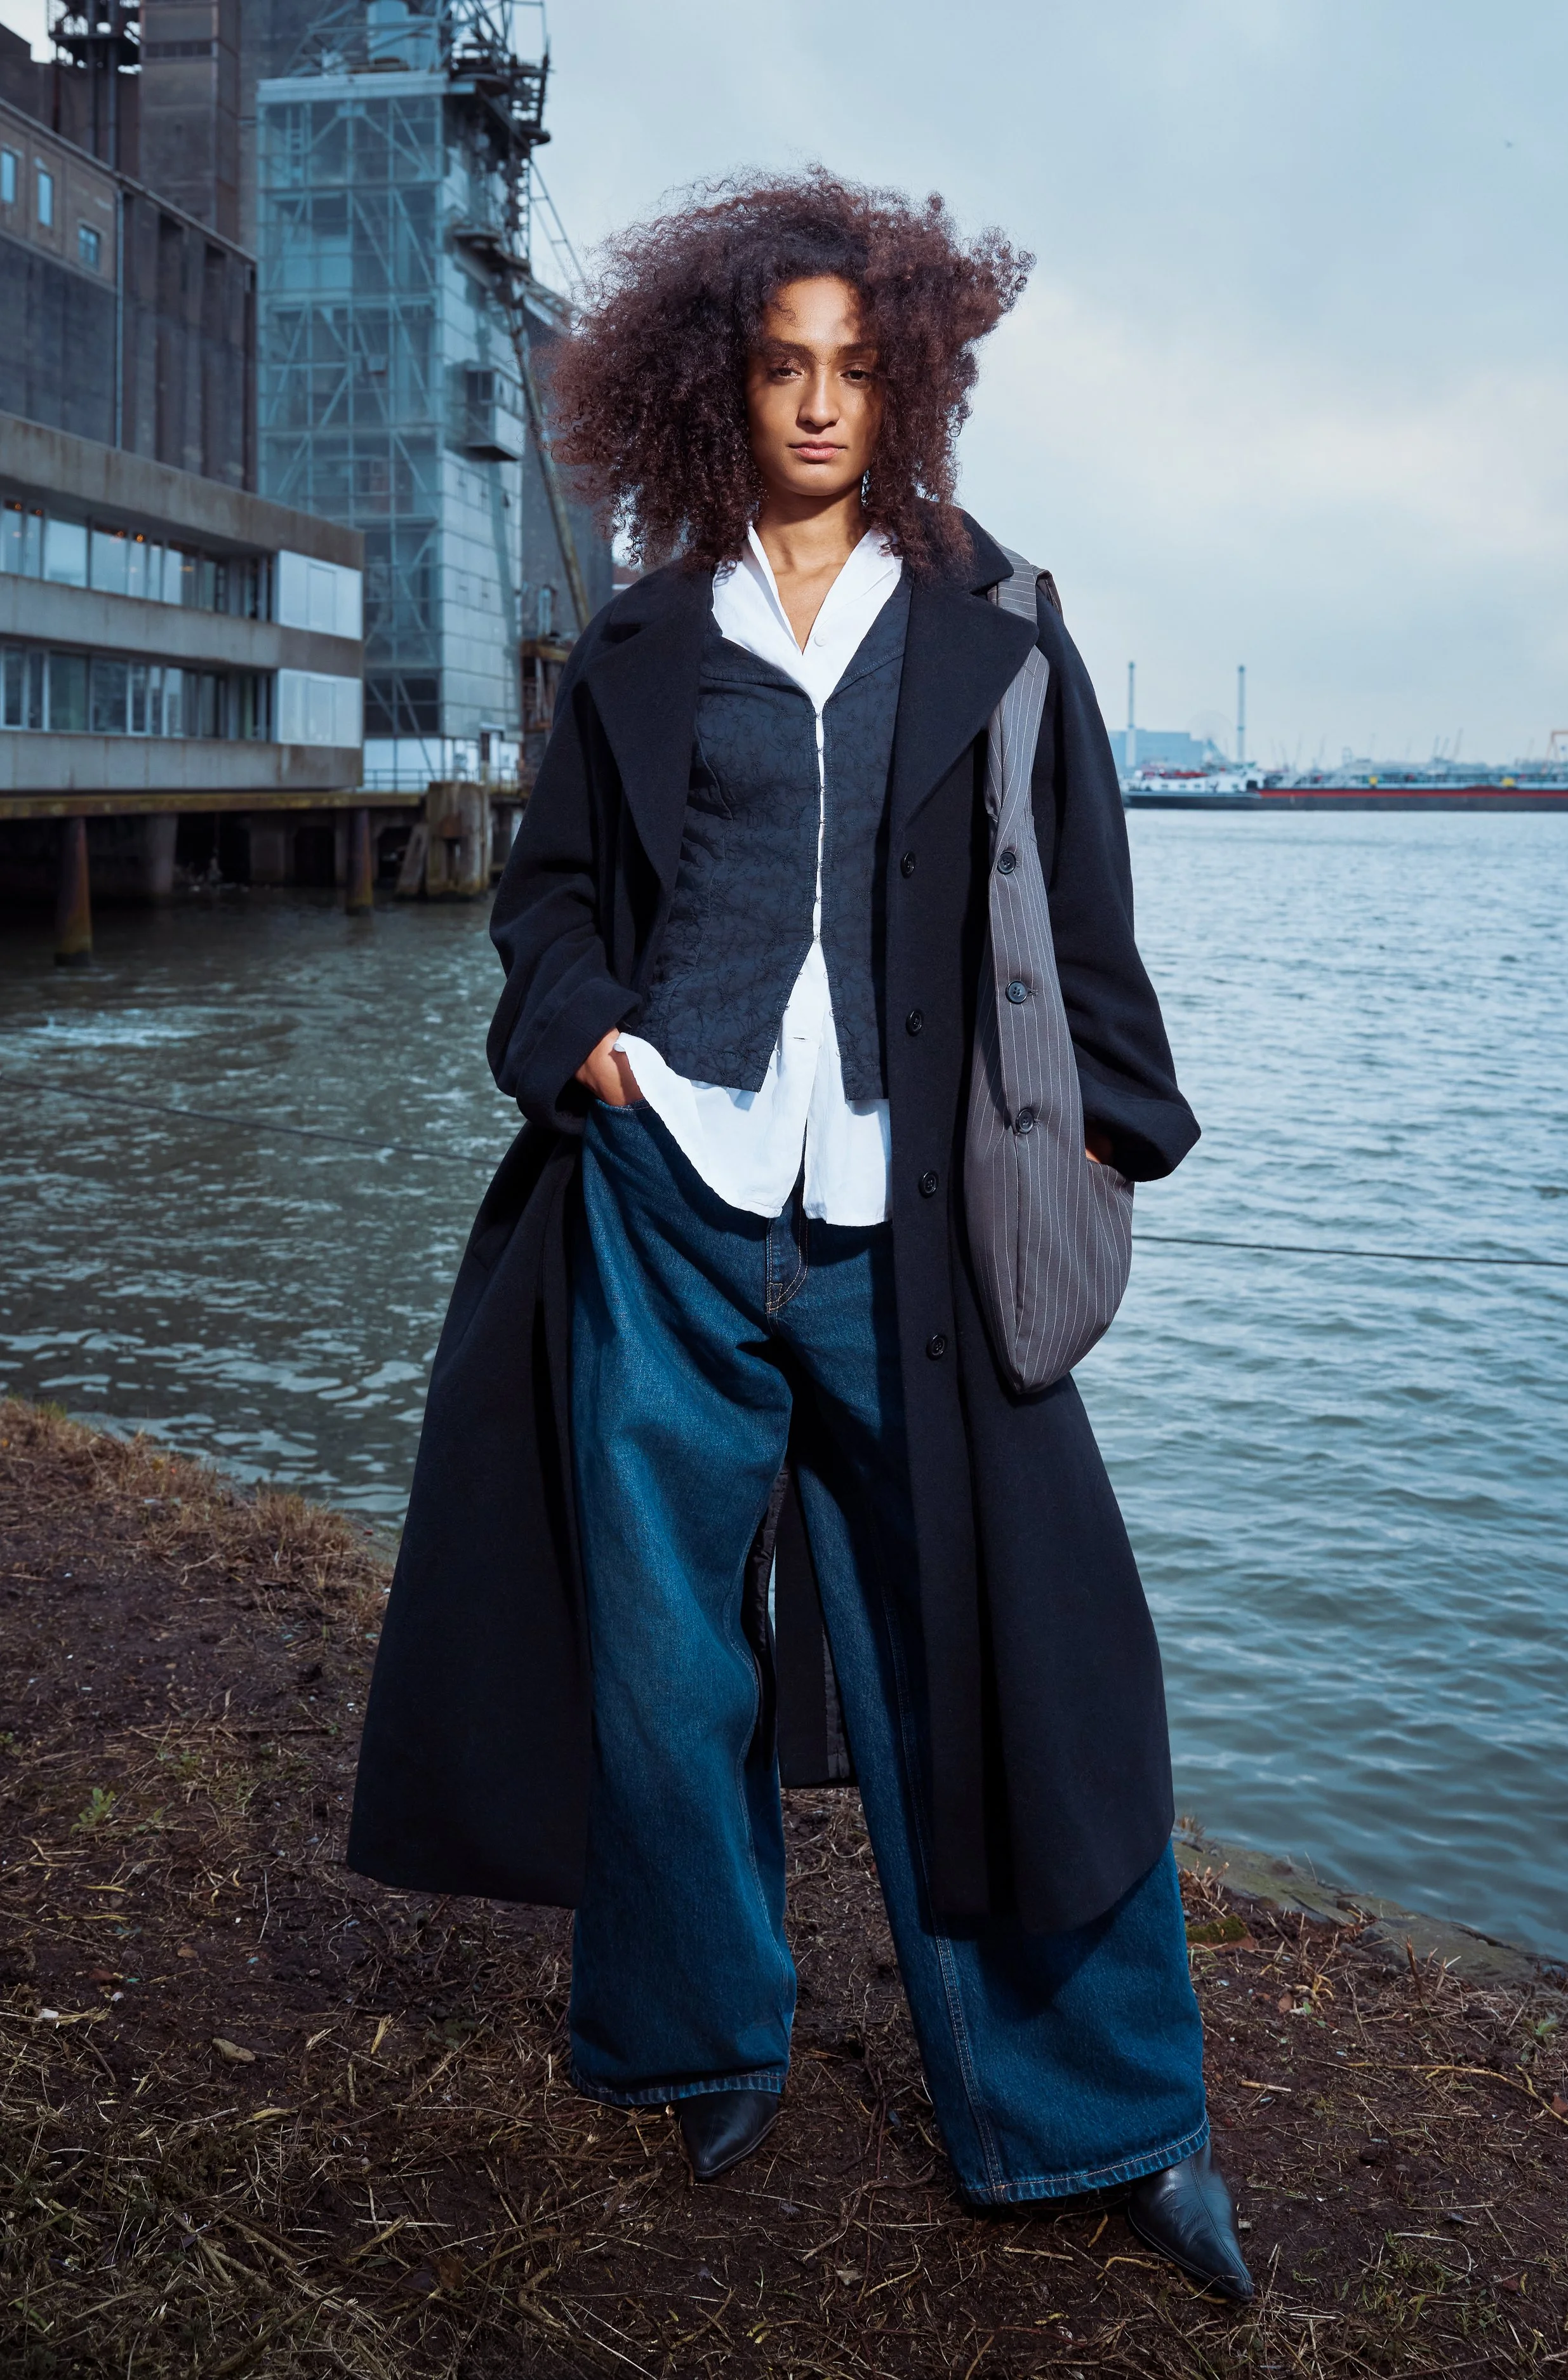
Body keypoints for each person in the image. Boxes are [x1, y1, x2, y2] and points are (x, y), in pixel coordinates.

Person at [349, 170, 1252, 2302]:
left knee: (1009, 1653)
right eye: (782, 367)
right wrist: (592, 1057)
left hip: (909, 1235)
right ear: (718, 386)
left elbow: (1086, 914)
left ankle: (1104, 2114)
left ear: (911, 379)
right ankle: (701, 2038)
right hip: (670, 1201)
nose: (821, 403)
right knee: (668, 1669)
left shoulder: (1000, 619)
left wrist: (1106, 1143)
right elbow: (551, 898)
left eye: (858, 368)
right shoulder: (649, 634)